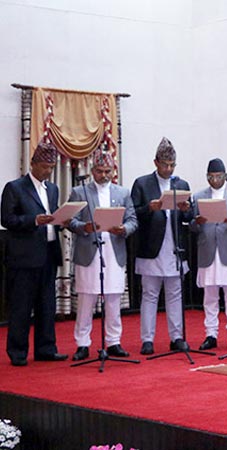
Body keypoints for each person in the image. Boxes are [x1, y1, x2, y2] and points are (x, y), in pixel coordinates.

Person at [1, 141, 68, 366]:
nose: (48, 171)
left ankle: (46, 348)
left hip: (48, 253)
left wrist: (62, 221)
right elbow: (7, 220)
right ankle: (18, 353)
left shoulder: (53, 189)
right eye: (44, 167)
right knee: (22, 307)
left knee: (47, 305)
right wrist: (33, 220)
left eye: (51, 167)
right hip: (24, 257)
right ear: (33, 164)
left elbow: (51, 220)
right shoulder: (15, 187)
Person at [67, 149, 138, 361]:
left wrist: (124, 229)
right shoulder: (80, 191)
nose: (104, 175)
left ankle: (114, 341)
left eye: (108, 171)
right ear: (92, 170)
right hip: (89, 249)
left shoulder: (122, 193)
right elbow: (70, 220)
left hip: (114, 250)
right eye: (99, 171)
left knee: (114, 298)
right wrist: (85, 227)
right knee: (86, 298)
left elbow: (133, 219)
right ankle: (82, 343)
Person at [131, 137, 193, 355]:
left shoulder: (181, 184)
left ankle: (176, 337)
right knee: (149, 294)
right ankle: (147, 339)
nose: (168, 169)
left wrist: (186, 209)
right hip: (151, 248)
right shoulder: (142, 183)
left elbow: (190, 215)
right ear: (155, 162)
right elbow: (133, 214)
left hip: (175, 247)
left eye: (172, 165)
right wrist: (150, 208)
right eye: (165, 164)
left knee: (175, 294)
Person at [190, 158, 227, 350]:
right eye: (211, 177)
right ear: (207, 177)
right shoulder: (198, 197)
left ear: (225, 176)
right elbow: (192, 226)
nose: (215, 180)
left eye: (218, 176)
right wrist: (198, 222)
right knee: (210, 296)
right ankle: (211, 334)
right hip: (207, 252)